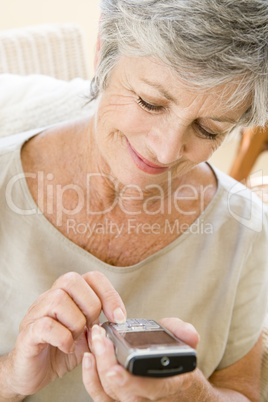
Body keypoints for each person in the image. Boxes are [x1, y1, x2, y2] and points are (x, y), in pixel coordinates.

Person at [0, 0, 268, 400]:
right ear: (103, 50)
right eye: (150, 102)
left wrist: (193, 396)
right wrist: (10, 379)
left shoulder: (246, 229)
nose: (165, 150)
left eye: (209, 130)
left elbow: (241, 390)